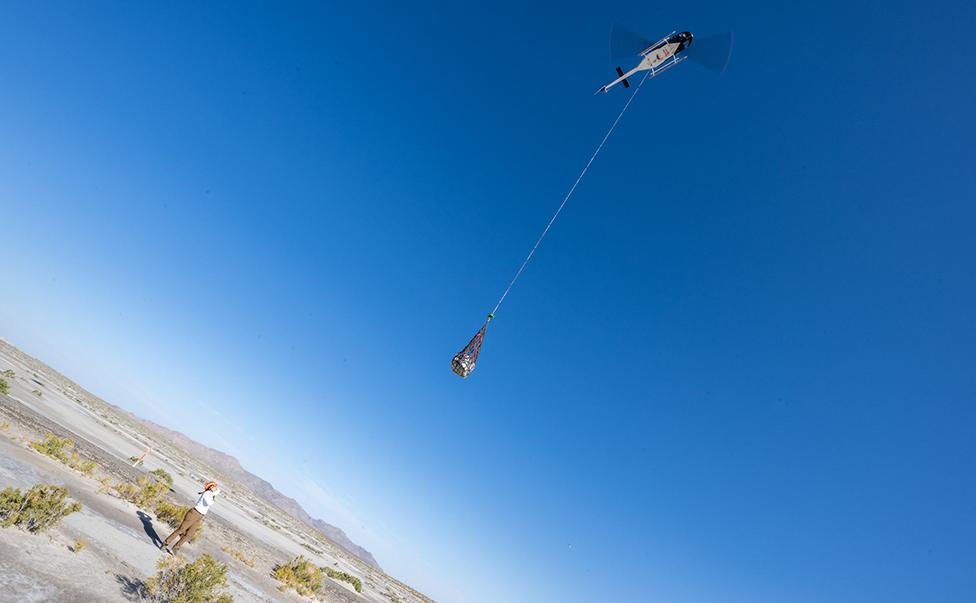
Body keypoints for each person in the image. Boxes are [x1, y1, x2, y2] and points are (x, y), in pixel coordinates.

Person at [162, 480, 219, 554]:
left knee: (189, 534)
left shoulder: (210, 494)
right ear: (210, 487)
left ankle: (176, 548)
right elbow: (209, 503)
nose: (215, 488)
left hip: (199, 516)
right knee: (181, 529)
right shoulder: (207, 493)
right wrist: (214, 495)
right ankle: (165, 543)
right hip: (194, 513)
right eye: (214, 487)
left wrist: (214, 495)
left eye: (215, 487)